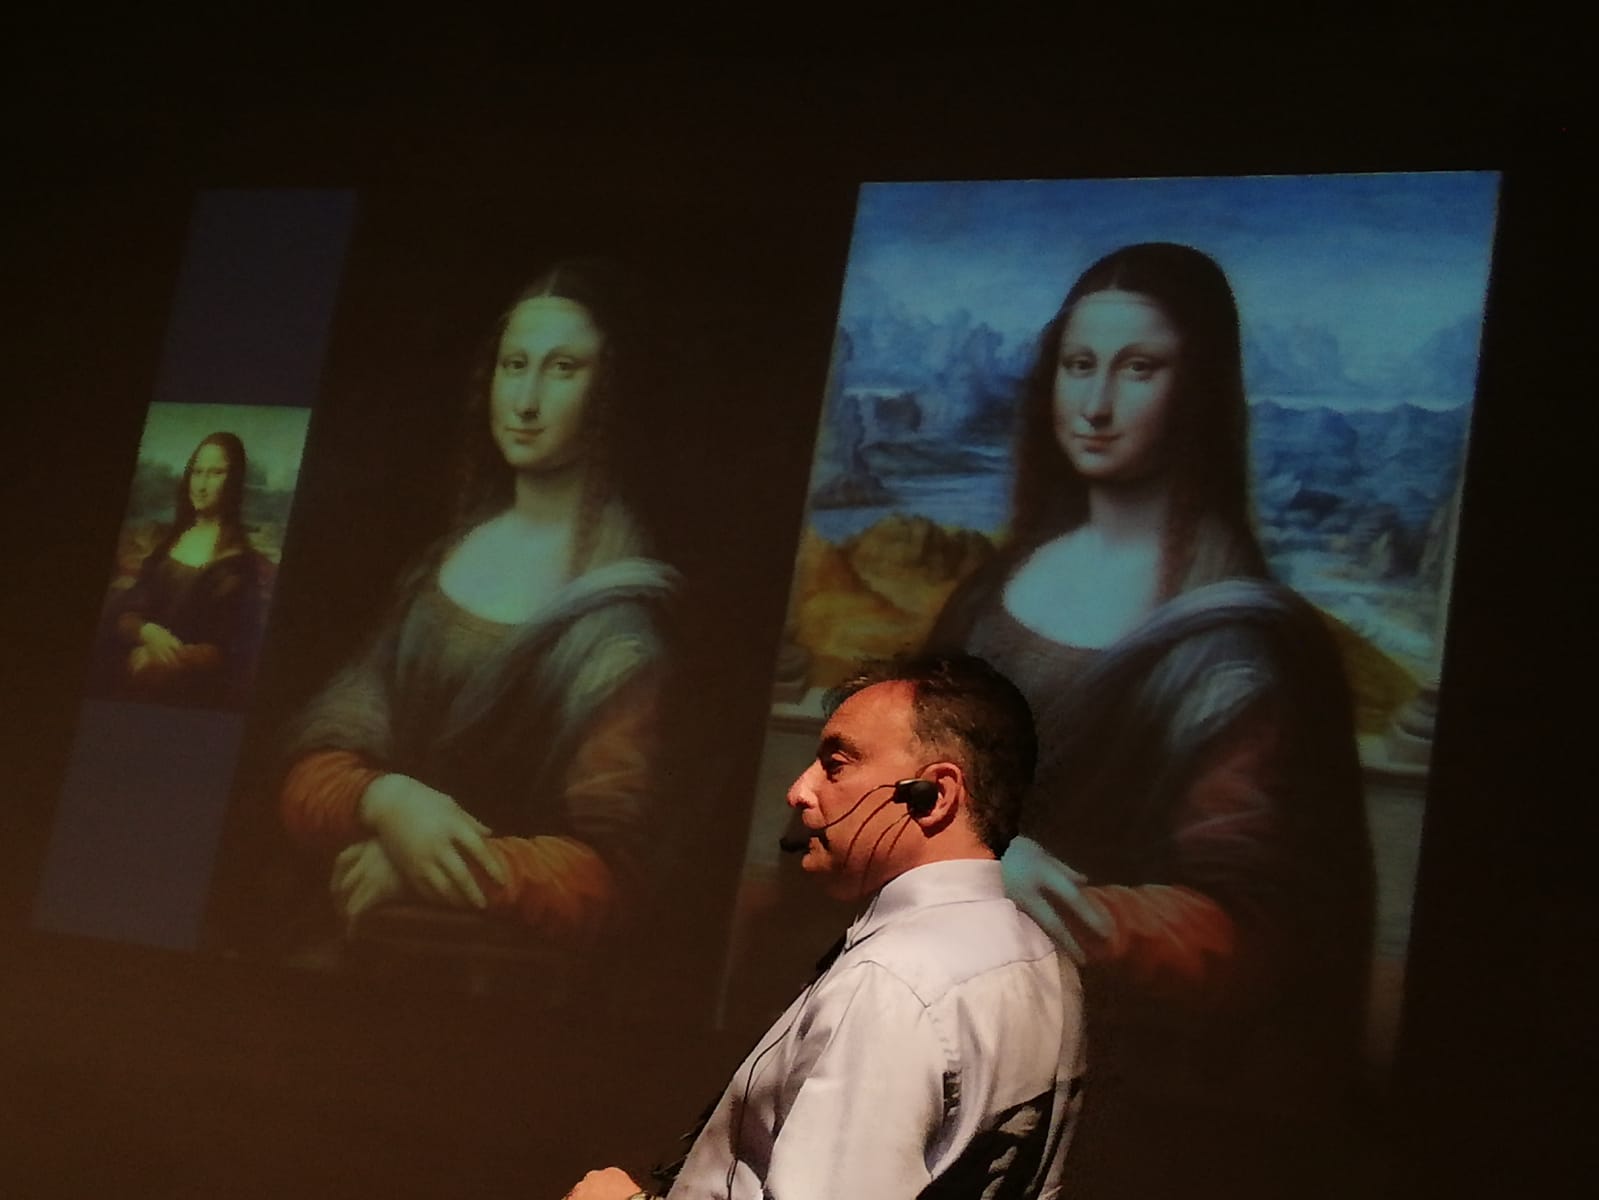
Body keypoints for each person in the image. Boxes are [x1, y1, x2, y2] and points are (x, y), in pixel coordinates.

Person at [929, 243, 1374, 1196]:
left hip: (1129, 1098)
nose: (1095, 403)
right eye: (1078, 365)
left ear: (1197, 390)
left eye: (1139, 369)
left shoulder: (1243, 646)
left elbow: (1248, 928)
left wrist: (1033, 905)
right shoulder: (986, 597)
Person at [565, 653, 1086, 1199]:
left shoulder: (891, 984)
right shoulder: (1048, 963)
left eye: (835, 764)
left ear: (933, 795)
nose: (798, 791)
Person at [278, 259, 678, 961]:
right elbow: (312, 769)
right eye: (513, 364)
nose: (525, 399)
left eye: (562, 369)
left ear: (607, 389)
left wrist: (426, 863)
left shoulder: (624, 619)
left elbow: (614, 880)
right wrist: (388, 802)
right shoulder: (438, 569)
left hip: (512, 978)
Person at [102, 430, 265, 709]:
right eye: (197, 472)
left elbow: (229, 649)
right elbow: (133, 603)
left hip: (189, 690)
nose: (201, 484)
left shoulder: (238, 563)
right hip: (134, 662)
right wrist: (145, 631)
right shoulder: (171, 540)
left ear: (234, 480)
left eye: (215, 473)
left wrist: (167, 659)